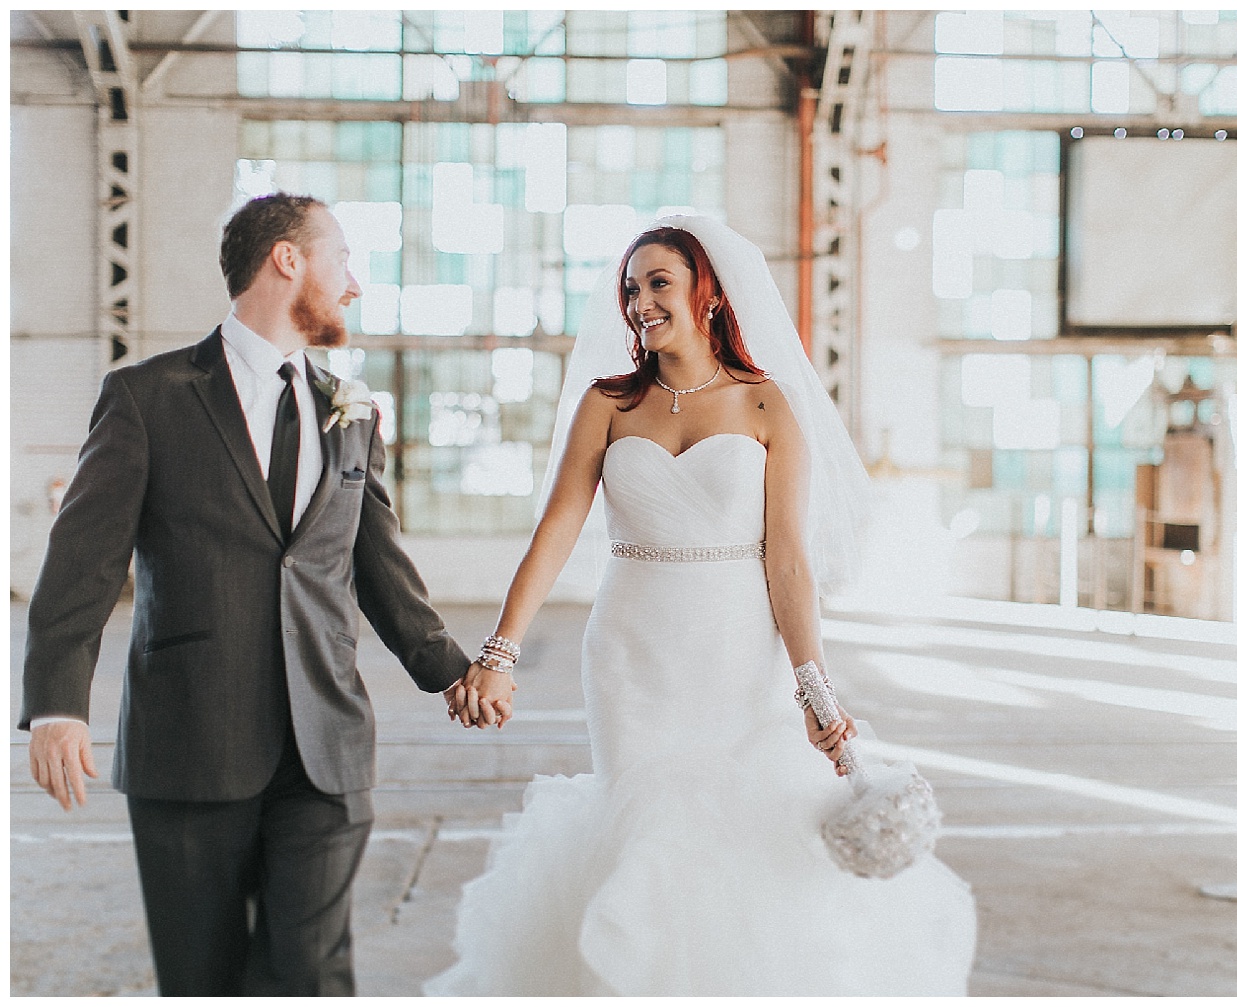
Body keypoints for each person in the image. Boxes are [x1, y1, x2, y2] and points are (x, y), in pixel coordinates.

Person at [428, 215, 975, 996]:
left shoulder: (765, 406)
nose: (641, 301)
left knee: (743, 836)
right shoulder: (607, 403)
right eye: (631, 287)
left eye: (659, 283)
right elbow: (554, 531)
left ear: (709, 296)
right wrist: (500, 652)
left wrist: (814, 690)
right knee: (646, 831)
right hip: (629, 657)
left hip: (736, 654)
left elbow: (788, 560)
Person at [20, 192, 504, 996]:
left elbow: (378, 563)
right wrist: (57, 705)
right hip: (189, 746)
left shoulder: (352, 413)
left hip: (326, 746)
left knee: (311, 973)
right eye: (342, 259)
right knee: (203, 979)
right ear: (288, 258)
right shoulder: (147, 397)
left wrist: (451, 669)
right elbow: (81, 564)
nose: (353, 285)